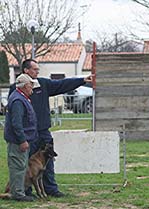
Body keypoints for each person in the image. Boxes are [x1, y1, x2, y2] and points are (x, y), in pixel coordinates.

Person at [9, 59, 92, 197]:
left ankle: (51, 189)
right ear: (26, 71)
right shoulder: (17, 89)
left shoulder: (43, 84)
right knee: (26, 162)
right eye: (35, 69)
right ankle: (26, 191)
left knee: (48, 160)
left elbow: (61, 84)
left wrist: (82, 80)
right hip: (28, 133)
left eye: (38, 69)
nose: (37, 71)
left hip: (43, 130)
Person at [4, 74, 40, 201]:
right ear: (25, 86)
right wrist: (22, 140)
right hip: (18, 141)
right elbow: (17, 124)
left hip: (22, 139)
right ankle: (18, 194)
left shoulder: (20, 98)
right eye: (31, 85)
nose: (32, 88)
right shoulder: (18, 100)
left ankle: (19, 191)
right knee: (18, 167)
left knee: (21, 166)